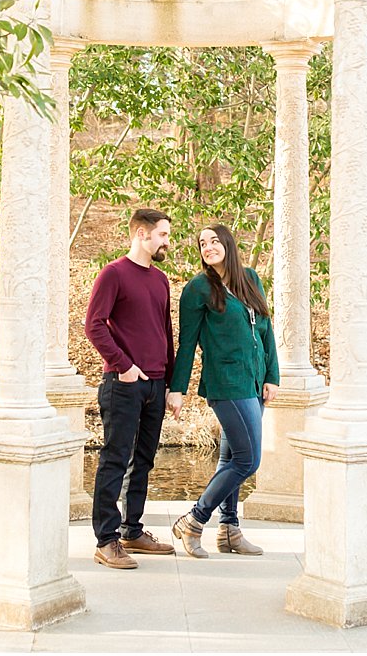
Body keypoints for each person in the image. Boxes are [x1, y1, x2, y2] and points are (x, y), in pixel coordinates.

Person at [166, 224, 279, 558]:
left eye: (214, 240)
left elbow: (266, 329)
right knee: (249, 459)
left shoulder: (249, 279)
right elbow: (187, 344)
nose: (208, 246)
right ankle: (195, 519)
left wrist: (272, 375)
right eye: (202, 243)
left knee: (231, 457)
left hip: (255, 382)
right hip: (226, 384)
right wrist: (177, 389)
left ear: (228, 244)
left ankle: (229, 530)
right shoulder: (197, 289)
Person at [83, 208, 178, 570]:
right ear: (142, 234)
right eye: (163, 235)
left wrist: (169, 383)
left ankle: (132, 530)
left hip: (155, 383)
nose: (167, 241)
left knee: (145, 460)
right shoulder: (113, 274)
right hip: (122, 384)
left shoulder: (160, 280)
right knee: (115, 459)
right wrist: (124, 366)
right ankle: (106, 541)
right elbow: (94, 325)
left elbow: (165, 333)